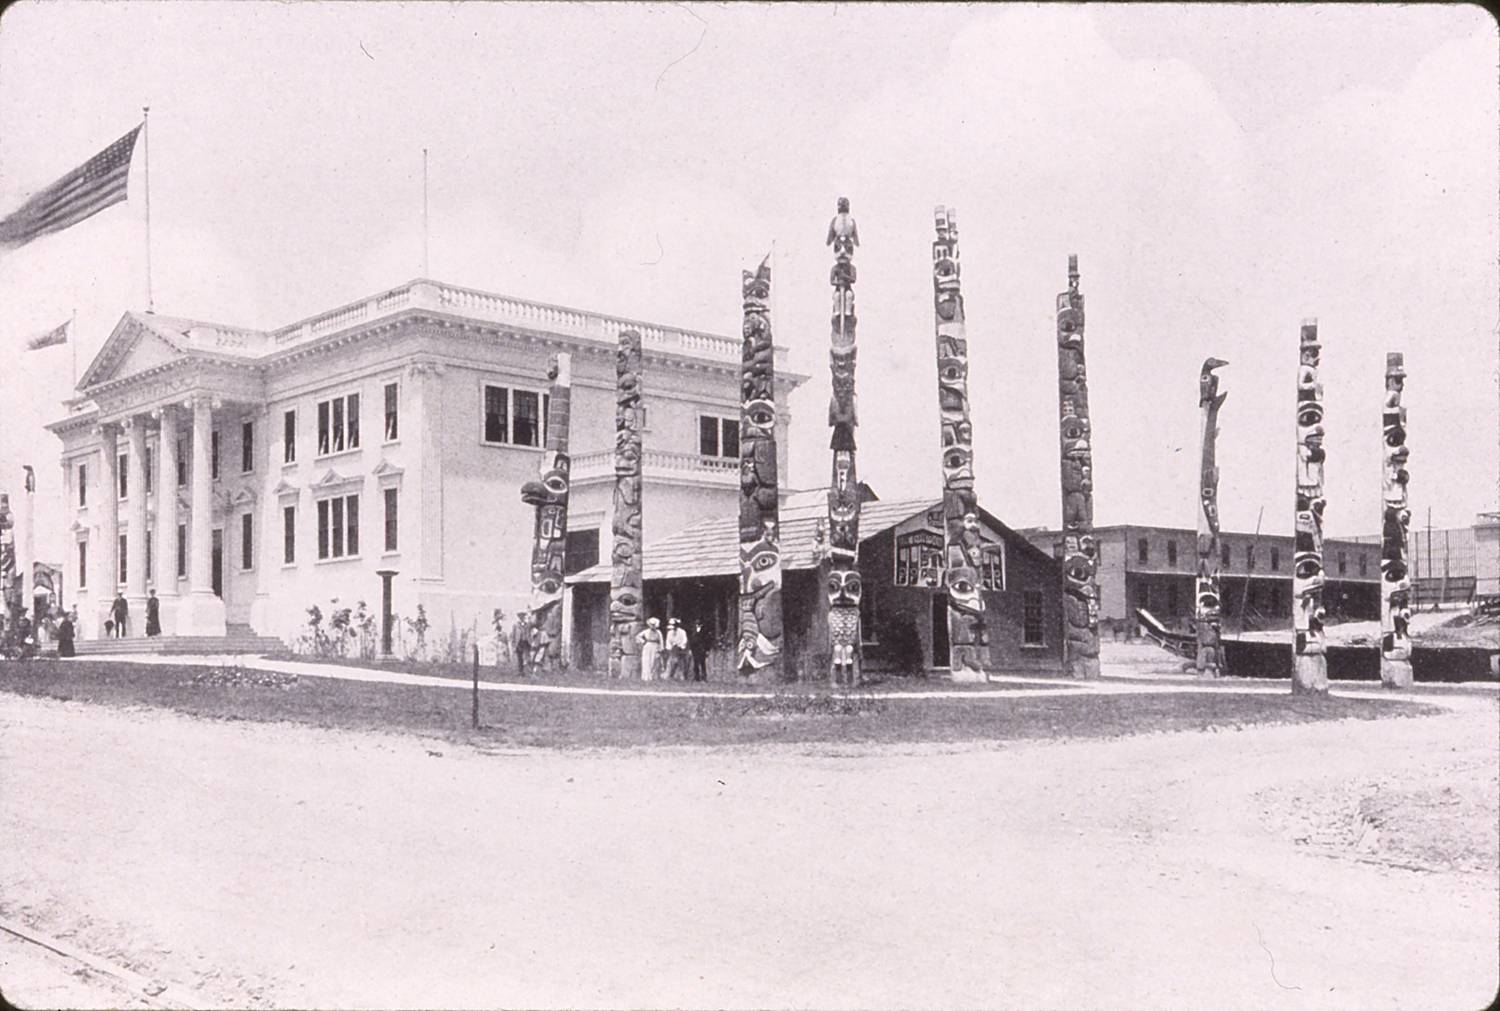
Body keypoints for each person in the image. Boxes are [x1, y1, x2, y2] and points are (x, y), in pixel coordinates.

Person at [511, 611, 531, 676]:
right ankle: (520, 671)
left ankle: (528, 671)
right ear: (519, 617)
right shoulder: (515, 625)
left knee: (527, 657)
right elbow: (513, 635)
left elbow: (529, 633)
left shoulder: (527, 624)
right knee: (520, 657)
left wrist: (530, 640)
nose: (522, 617)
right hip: (519, 642)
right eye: (520, 616)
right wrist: (513, 644)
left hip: (526, 642)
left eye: (523, 616)